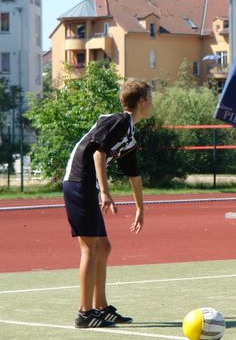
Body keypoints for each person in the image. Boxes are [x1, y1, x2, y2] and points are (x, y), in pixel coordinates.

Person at [62, 79, 153, 328]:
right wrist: (105, 192)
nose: (153, 104)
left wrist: (140, 208)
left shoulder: (129, 136)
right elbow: (97, 153)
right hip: (78, 182)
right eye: (151, 98)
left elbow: (134, 175)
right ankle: (84, 313)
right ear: (142, 101)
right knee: (90, 248)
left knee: (104, 247)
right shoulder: (118, 121)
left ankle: (101, 308)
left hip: (85, 185)